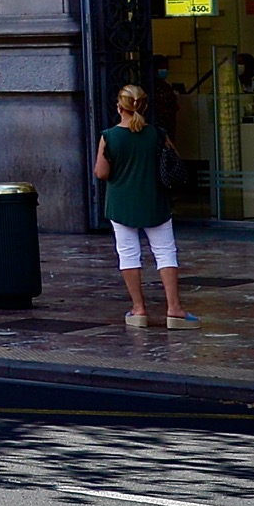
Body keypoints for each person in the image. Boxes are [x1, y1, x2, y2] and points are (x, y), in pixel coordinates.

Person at [93, 83, 195, 329]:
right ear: (145, 106)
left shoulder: (109, 136)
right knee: (165, 252)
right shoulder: (158, 134)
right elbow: (173, 162)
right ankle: (175, 309)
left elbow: (101, 173)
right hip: (155, 200)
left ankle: (138, 310)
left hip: (121, 202)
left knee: (128, 254)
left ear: (119, 107)